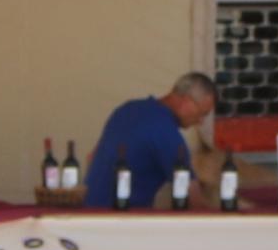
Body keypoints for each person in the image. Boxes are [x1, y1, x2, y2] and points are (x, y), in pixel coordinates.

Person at [83, 69, 215, 207]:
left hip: (86, 213)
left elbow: (91, 157)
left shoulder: (126, 109)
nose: (200, 121)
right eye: (202, 113)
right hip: (122, 220)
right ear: (187, 102)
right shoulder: (167, 134)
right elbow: (194, 200)